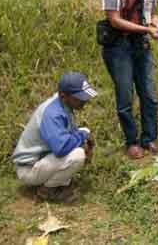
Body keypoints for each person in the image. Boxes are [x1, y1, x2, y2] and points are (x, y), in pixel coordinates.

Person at [101, 0, 158, 160]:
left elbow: (153, 13)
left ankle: (149, 138)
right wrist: (146, 29)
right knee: (125, 96)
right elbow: (115, 20)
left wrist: (157, 25)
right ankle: (131, 141)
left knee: (149, 94)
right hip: (118, 47)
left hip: (142, 45)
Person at [12, 72, 97, 202]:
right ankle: (48, 190)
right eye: (80, 97)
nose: (85, 100)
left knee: (83, 132)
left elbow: (69, 135)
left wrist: (84, 137)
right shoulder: (52, 114)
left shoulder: (63, 105)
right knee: (78, 155)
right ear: (63, 95)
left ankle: (58, 182)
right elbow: (61, 148)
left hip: (41, 161)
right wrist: (82, 136)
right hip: (28, 169)